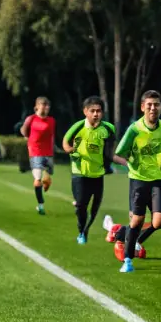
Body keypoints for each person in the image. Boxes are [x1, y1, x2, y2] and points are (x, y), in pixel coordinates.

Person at [113, 91, 161, 274]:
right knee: (138, 220)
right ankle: (128, 260)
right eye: (149, 105)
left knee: (158, 221)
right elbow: (117, 154)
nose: (153, 108)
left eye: (156, 105)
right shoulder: (134, 129)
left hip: (157, 181)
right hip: (138, 181)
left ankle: (131, 238)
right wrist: (130, 163)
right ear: (142, 107)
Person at [62, 97, 116, 245]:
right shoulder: (78, 127)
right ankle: (81, 230)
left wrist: (111, 161)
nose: (96, 114)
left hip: (98, 174)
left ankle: (86, 230)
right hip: (79, 173)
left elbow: (111, 148)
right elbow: (65, 142)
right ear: (85, 111)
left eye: (99, 111)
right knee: (81, 205)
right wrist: (70, 150)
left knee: (95, 207)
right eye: (92, 111)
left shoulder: (108, 129)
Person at [20, 97, 56, 214]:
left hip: (48, 153)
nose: (45, 107)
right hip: (35, 152)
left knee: (47, 180)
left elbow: (51, 136)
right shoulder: (31, 119)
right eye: (43, 104)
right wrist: (29, 140)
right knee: (37, 179)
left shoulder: (51, 120)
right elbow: (24, 131)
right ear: (36, 106)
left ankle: (45, 182)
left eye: (47, 105)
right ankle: (40, 205)